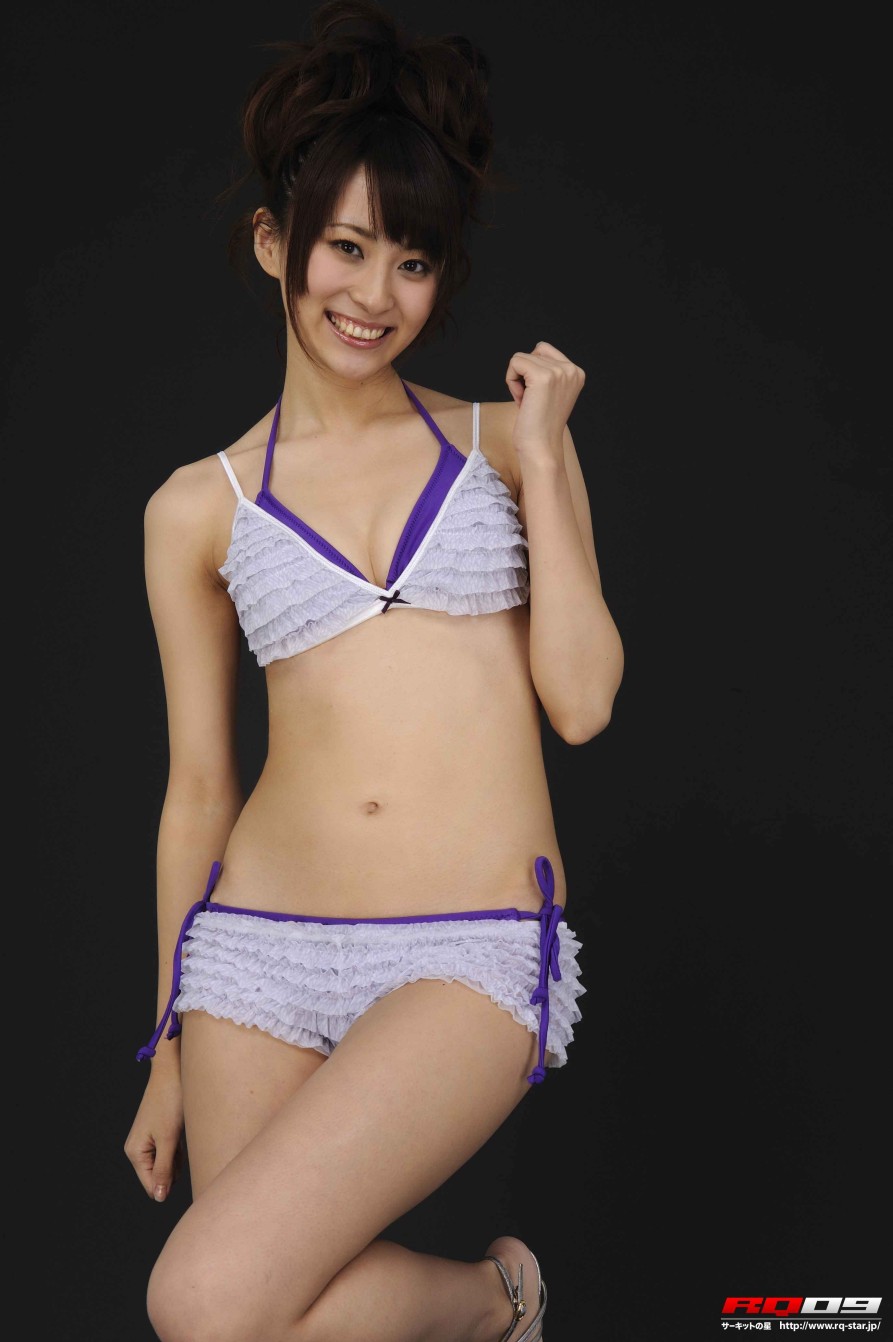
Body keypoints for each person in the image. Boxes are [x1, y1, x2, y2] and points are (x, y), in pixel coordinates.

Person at [124, 1, 624, 1338]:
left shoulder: (503, 446)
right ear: (274, 243)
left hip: (470, 942)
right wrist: (168, 1040)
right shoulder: (196, 506)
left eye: (412, 262)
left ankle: (495, 1301)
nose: (374, 295)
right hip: (255, 952)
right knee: (259, 1327)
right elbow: (197, 787)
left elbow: (581, 701)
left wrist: (547, 457)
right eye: (346, 247)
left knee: (204, 1299)